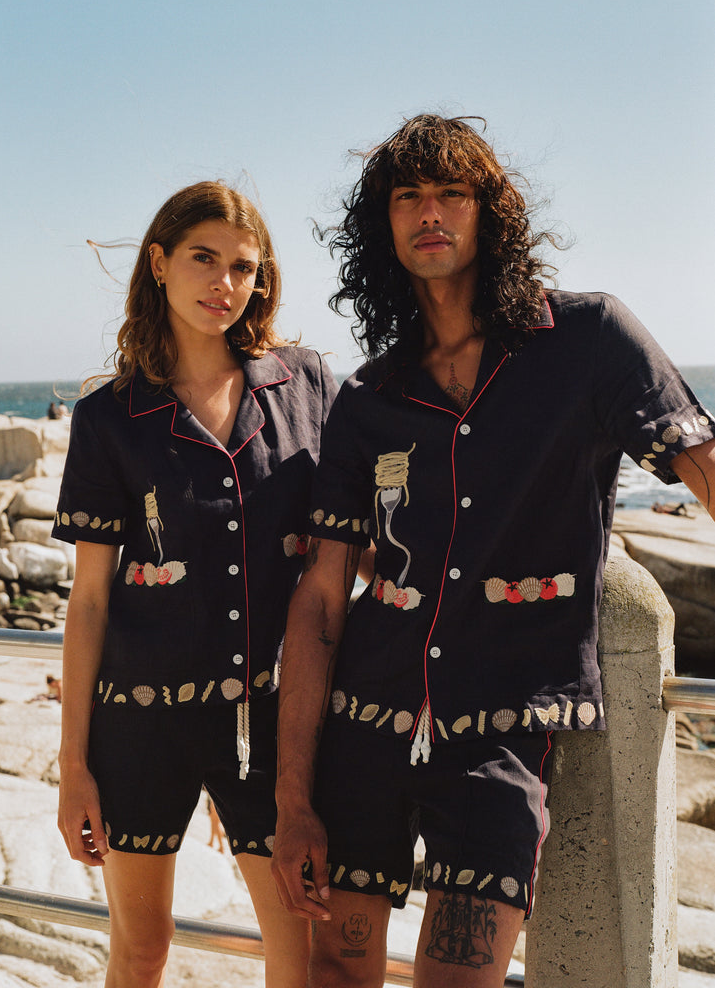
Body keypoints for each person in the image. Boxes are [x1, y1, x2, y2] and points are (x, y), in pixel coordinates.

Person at [270, 115, 715, 988]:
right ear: (383, 227)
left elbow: (701, 467)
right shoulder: (369, 399)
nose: (428, 212)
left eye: (451, 193)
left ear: (491, 213)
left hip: (502, 736)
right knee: (334, 976)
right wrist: (291, 796)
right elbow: (322, 598)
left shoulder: (588, 340)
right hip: (362, 725)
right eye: (407, 197)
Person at [53, 181, 339, 988]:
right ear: (158, 264)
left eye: (243, 267)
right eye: (203, 260)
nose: (224, 284)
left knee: (302, 954)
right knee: (141, 950)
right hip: (140, 726)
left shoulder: (305, 385)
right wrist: (72, 765)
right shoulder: (110, 417)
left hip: (273, 727)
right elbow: (91, 602)